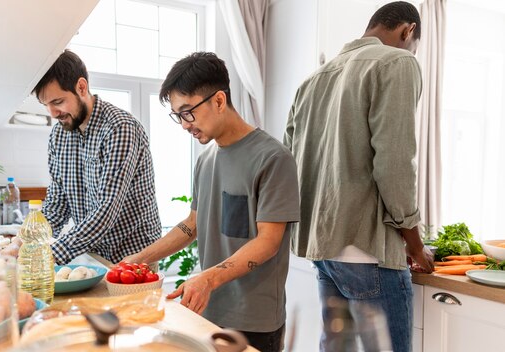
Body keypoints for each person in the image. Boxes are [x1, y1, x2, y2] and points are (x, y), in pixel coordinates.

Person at [123, 52, 300, 352]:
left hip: (254, 322)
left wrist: (208, 279)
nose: (183, 124)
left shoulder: (273, 158)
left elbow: (269, 242)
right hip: (208, 313)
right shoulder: (205, 160)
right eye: (178, 115)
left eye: (187, 112)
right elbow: (193, 224)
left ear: (219, 101)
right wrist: (139, 258)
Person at [283, 2, 434, 352]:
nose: (411, 51)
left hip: (323, 247)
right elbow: (395, 163)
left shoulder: (312, 81)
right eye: (413, 44)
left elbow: (288, 160)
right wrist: (414, 242)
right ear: (407, 31)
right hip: (368, 248)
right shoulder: (397, 62)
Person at [4, 49, 161, 265]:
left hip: (134, 257)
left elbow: (106, 210)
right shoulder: (59, 135)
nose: (52, 113)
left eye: (58, 102)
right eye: (46, 105)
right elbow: (57, 206)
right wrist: (21, 243)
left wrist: (48, 255)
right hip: (94, 254)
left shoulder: (119, 128)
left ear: (81, 87)